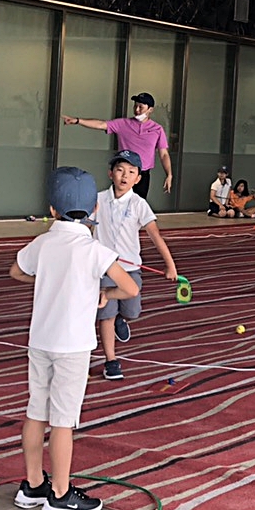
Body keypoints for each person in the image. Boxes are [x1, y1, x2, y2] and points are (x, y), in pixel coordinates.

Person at [9, 167, 139, 510]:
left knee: (36, 413)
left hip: (40, 342)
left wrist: (46, 280)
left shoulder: (43, 243)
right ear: (94, 209)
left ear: (52, 209)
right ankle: (60, 495)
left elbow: (16, 271)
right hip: (73, 347)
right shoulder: (94, 250)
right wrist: (105, 294)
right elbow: (130, 288)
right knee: (63, 421)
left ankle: (33, 485)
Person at [94, 151, 180, 381]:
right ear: (110, 173)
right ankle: (111, 360)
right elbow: (84, 228)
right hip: (105, 267)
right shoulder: (98, 199)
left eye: (131, 172)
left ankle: (121, 317)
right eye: (120, 170)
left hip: (130, 269)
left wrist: (170, 265)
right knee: (105, 315)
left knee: (132, 311)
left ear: (138, 179)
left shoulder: (139, 204)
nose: (125, 176)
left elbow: (155, 235)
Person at [61, 93, 172, 198]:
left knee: (137, 205)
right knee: (117, 202)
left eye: (141, 107)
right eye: (135, 106)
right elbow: (101, 124)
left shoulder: (157, 129)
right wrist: (77, 121)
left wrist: (169, 174)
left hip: (142, 174)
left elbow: (164, 154)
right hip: (122, 171)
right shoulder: (123, 124)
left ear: (150, 110)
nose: (137, 110)